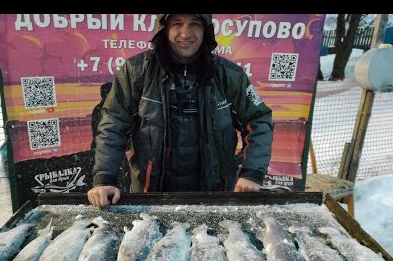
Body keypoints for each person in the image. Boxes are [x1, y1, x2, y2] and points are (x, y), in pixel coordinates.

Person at [88, 14, 274, 207]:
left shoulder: (229, 74)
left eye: (195, 24)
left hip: (215, 200)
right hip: (150, 200)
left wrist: (252, 173)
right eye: (177, 24)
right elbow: (114, 125)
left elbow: (259, 120)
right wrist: (104, 179)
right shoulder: (136, 71)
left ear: (206, 30)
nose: (185, 33)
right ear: (165, 28)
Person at [90, 82, 131, 192]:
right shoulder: (101, 108)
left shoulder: (101, 108)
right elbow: (110, 131)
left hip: (111, 148)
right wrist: (103, 180)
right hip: (109, 148)